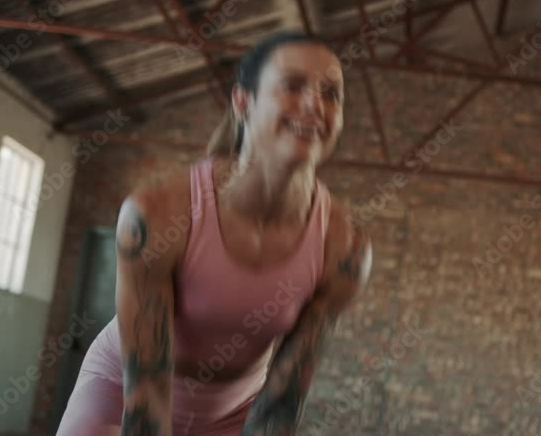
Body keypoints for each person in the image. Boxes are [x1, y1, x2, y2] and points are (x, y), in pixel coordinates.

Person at [56, 31, 373, 436]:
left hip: (235, 411)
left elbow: (281, 404)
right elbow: (147, 399)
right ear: (243, 102)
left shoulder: (345, 247)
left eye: (332, 93)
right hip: (121, 393)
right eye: (293, 86)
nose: (316, 104)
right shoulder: (157, 216)